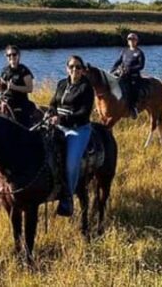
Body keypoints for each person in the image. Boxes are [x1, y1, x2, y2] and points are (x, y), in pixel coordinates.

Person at [48, 55, 95, 217]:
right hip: (58, 126)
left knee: (71, 163)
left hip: (78, 129)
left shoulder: (86, 88)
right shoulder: (62, 83)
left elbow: (84, 112)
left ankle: (67, 199)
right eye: (71, 66)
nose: (74, 70)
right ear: (67, 68)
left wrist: (62, 118)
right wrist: (51, 113)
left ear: (83, 70)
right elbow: (53, 103)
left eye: (78, 67)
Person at [0, 45, 36, 127]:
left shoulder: (24, 70)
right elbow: (2, 91)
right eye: (9, 55)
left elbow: (30, 88)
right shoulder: (5, 70)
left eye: (14, 54)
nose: (11, 57)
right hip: (6, 103)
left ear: (18, 55)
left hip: (19, 104)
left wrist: (15, 87)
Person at [111, 32, 145, 119]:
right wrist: (112, 70)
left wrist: (130, 69)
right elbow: (118, 61)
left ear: (137, 41)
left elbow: (141, 66)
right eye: (130, 39)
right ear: (127, 41)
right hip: (122, 73)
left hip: (134, 75)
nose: (131, 41)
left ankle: (133, 108)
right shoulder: (124, 51)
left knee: (133, 89)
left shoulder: (139, 52)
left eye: (133, 39)